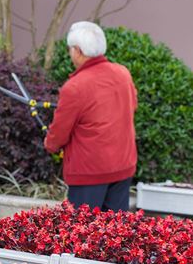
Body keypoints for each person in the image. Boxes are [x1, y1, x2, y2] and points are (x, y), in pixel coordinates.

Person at [44, 21, 137, 212]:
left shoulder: (76, 86)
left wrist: (50, 145)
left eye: (70, 49)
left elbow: (60, 131)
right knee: (116, 232)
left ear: (78, 50)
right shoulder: (123, 73)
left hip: (89, 170)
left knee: (84, 232)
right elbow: (131, 106)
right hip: (122, 164)